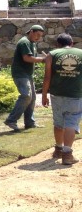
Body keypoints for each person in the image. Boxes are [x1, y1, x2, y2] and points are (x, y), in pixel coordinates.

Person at [41, 33, 82, 166]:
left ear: (58, 44)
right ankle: (67, 154)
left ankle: (58, 149)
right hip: (75, 95)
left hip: (56, 94)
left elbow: (47, 77)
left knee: (58, 122)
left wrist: (44, 95)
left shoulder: (51, 54)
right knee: (71, 122)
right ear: (72, 43)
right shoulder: (80, 53)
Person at [4, 24, 46, 131]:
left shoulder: (32, 43)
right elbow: (27, 58)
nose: (38, 38)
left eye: (40, 36)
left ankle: (29, 123)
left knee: (32, 98)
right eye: (37, 35)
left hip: (27, 74)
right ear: (31, 32)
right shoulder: (24, 42)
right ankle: (11, 120)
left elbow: (32, 58)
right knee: (26, 96)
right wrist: (43, 60)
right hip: (20, 74)